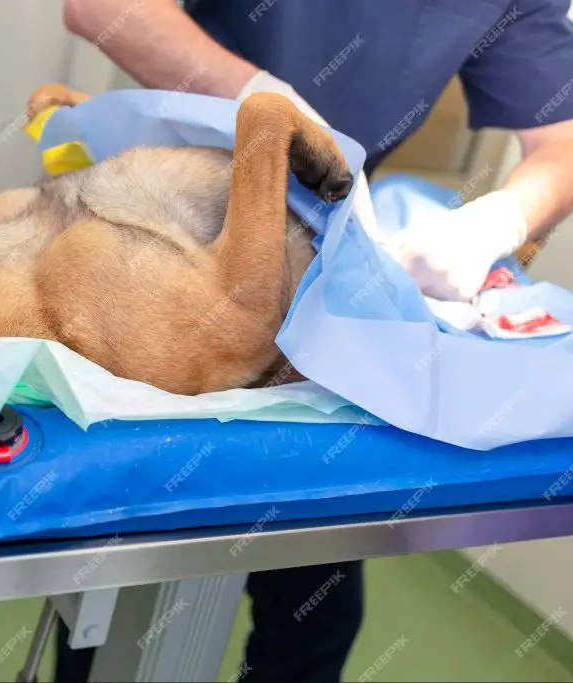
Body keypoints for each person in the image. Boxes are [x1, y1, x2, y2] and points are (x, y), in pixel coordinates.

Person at [54, 1, 573, 681]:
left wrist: (499, 221)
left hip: (318, 270)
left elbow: (561, 137)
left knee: (317, 618)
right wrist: (260, 101)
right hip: (165, 227)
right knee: (127, 596)